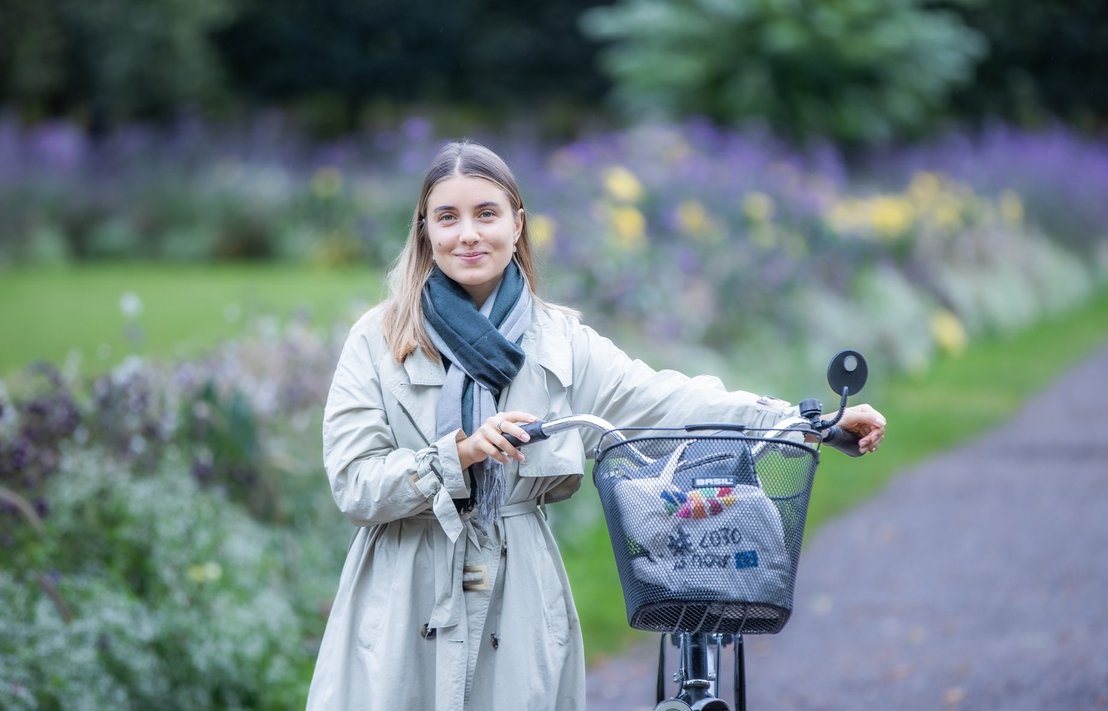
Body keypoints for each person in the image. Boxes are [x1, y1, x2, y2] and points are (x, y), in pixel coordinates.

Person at [306, 140, 887, 711]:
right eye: (447, 218)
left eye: (487, 214)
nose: (468, 234)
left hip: (518, 585)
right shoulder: (380, 339)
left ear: (518, 224)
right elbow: (354, 482)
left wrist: (805, 422)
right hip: (403, 586)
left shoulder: (562, 341)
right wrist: (458, 453)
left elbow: (666, 400)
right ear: (425, 231)